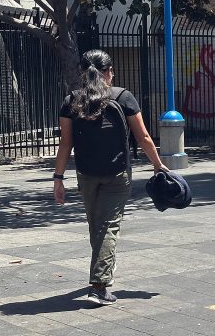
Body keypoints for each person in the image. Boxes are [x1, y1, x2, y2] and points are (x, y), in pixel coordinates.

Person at [53, 50, 168, 306]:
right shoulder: (123, 97)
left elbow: (65, 143)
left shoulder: (71, 101)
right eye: (112, 70)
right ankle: (99, 285)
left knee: (97, 225)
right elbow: (144, 137)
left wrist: (58, 177)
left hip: (86, 173)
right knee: (108, 226)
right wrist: (158, 165)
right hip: (116, 174)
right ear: (107, 72)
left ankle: (100, 276)